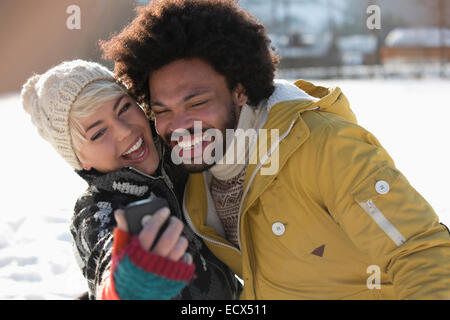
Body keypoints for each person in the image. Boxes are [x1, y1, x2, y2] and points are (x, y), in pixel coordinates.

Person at [100, 0, 450, 299]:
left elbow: (421, 253)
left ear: (240, 90)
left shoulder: (325, 146)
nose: (180, 126)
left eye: (197, 102)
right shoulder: (193, 176)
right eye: (162, 110)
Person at [20, 59, 241, 300]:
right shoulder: (98, 211)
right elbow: (106, 257)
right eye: (99, 132)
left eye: (123, 108)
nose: (125, 130)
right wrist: (126, 285)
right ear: (80, 159)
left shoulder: (183, 150)